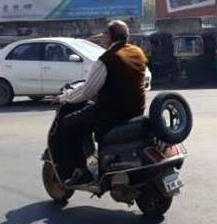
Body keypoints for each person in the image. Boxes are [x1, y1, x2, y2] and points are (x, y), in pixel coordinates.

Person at [50, 20, 148, 186]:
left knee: (68, 125)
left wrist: (63, 98)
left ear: (109, 36)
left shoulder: (107, 59)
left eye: (104, 33)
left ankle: (81, 172)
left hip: (111, 113)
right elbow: (141, 79)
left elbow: (87, 91)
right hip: (136, 110)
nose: (103, 36)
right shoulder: (137, 52)